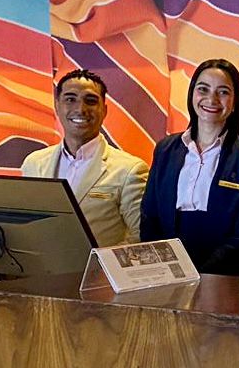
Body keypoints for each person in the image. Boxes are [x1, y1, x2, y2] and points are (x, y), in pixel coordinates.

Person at [140, 59, 239, 277]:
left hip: (226, 278)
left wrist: (201, 276)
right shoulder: (165, 149)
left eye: (223, 92)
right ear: (191, 94)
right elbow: (150, 218)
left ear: (234, 103)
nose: (211, 99)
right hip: (170, 276)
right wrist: (167, 270)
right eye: (203, 89)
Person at [21, 69, 147, 247]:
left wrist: (100, 268)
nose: (80, 109)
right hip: (41, 272)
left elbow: (139, 237)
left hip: (99, 273)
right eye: (70, 99)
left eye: (91, 101)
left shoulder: (130, 170)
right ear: (57, 106)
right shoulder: (33, 163)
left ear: (104, 110)